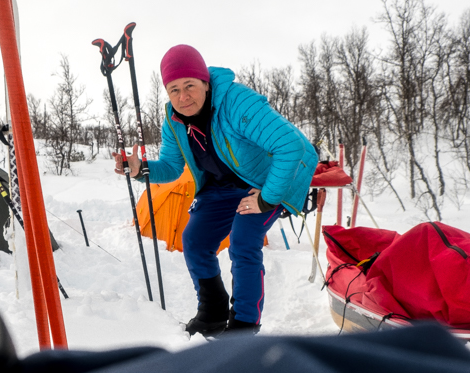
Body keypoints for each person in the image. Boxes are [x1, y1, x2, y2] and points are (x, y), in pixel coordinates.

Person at [114, 44, 317, 336]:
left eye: (190, 86)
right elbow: (172, 167)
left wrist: (267, 198)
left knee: (243, 240)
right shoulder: (173, 120)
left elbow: (290, 146)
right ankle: (212, 312)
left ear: (205, 84)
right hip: (221, 186)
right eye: (173, 89)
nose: (183, 97)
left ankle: (244, 326)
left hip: (268, 179)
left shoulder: (236, 102)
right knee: (194, 241)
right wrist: (139, 168)